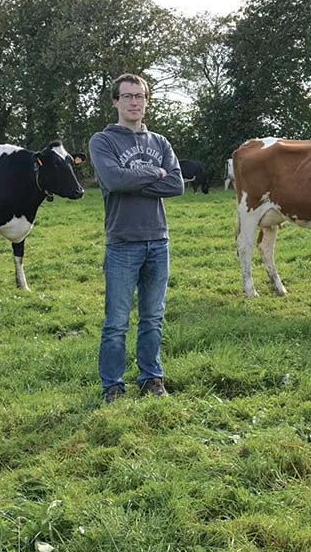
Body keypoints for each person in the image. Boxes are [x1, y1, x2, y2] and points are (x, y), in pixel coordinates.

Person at [89, 73, 185, 403]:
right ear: (115, 101)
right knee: (116, 322)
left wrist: (134, 180)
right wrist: (154, 173)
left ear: (146, 102)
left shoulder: (160, 142)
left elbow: (176, 184)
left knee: (152, 318)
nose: (134, 102)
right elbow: (114, 180)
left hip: (158, 240)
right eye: (128, 96)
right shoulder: (103, 141)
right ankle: (112, 386)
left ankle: (151, 379)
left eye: (140, 96)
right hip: (122, 241)